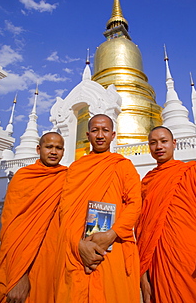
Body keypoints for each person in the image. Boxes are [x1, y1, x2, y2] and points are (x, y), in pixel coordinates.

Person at [136, 126, 196, 303]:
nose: (159, 146)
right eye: (153, 143)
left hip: (195, 266)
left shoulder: (195, 173)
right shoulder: (147, 184)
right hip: (161, 269)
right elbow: (143, 232)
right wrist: (144, 279)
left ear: (174, 144)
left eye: (164, 141)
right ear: (149, 148)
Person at [55, 114, 142, 303]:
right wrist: (78, 246)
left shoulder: (123, 166)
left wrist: (111, 234)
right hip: (78, 249)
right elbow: (65, 212)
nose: (100, 135)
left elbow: (135, 204)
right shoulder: (76, 169)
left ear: (113, 135)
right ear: (87, 135)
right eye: (95, 130)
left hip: (113, 246)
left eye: (105, 130)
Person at [0, 132, 67, 303]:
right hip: (23, 262)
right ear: (38, 149)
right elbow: (11, 229)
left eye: (58, 148)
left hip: (54, 260)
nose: (54, 152)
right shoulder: (23, 178)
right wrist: (19, 274)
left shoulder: (66, 177)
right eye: (49, 147)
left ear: (63, 151)